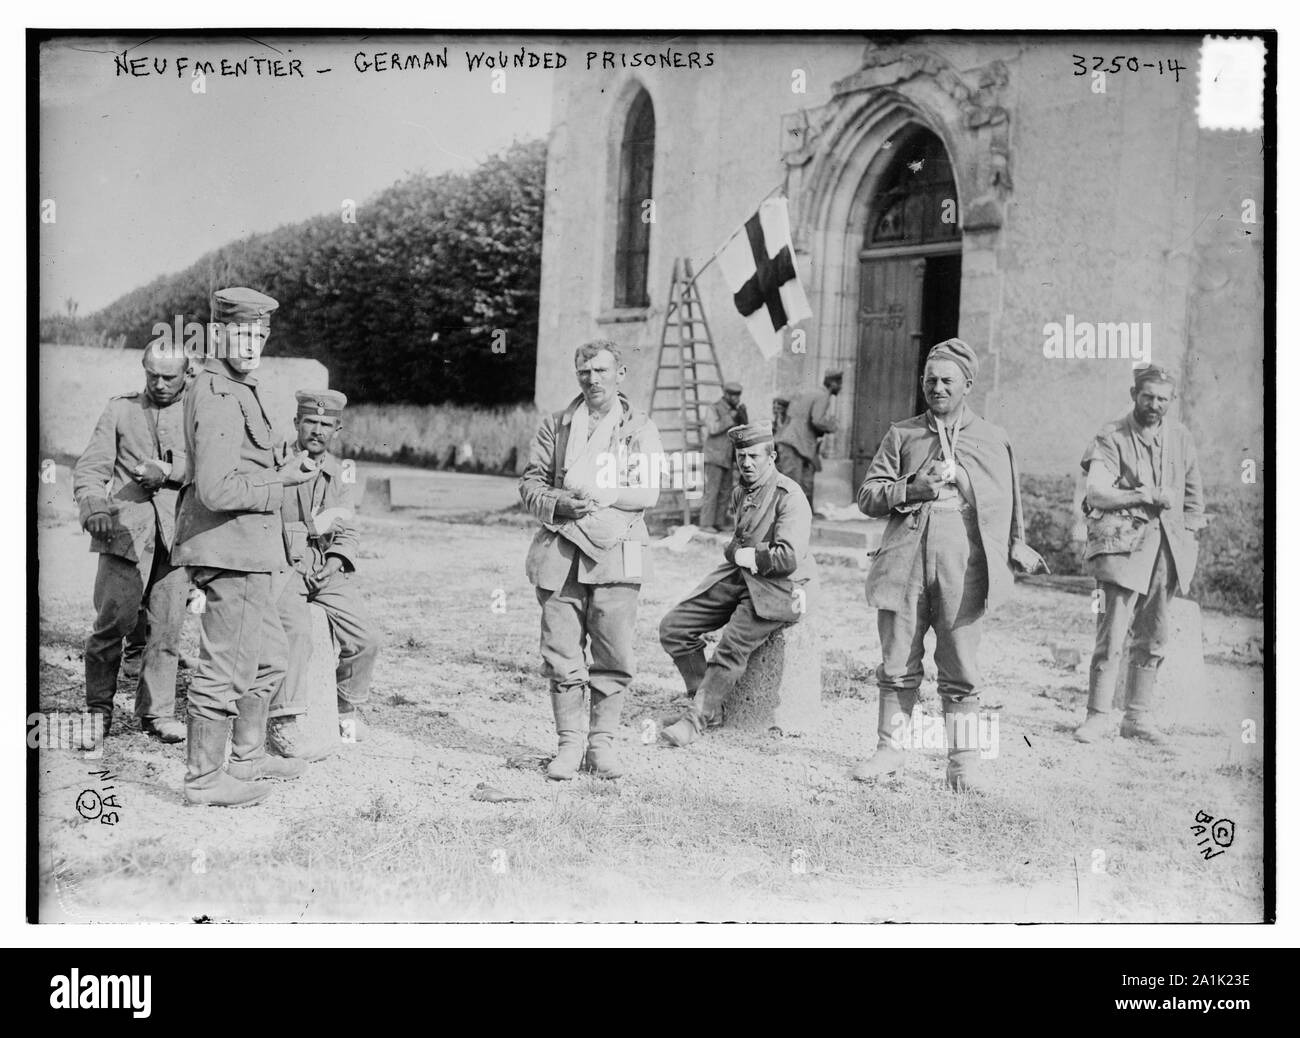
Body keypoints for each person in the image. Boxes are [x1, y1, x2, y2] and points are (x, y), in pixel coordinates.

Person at [852, 339, 1045, 793]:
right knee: (897, 660)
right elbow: (868, 496)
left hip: (964, 564)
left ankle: (963, 766)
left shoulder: (992, 438)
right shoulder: (902, 435)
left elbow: (1007, 501)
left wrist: (968, 483)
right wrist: (911, 487)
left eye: (946, 381)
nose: (936, 388)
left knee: (960, 666)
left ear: (968, 386)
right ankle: (889, 753)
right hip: (905, 562)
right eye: (930, 380)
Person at [172, 287, 319, 807]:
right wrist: (283, 481)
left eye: (259, 333)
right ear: (218, 333)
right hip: (228, 548)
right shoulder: (215, 392)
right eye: (241, 332)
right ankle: (205, 781)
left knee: (269, 660)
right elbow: (216, 489)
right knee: (226, 668)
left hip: (255, 549)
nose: (251, 342)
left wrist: (284, 472)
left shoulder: (242, 385)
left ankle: (247, 760)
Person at [519, 340, 662, 780]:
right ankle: (568, 745)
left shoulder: (640, 429)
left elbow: (648, 493)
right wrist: (561, 504)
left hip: (619, 551)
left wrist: (605, 495)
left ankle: (602, 745)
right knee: (561, 653)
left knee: (614, 653)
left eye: (601, 370)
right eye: (584, 372)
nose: (592, 379)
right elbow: (530, 485)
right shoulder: (557, 427)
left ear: (620, 374)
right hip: (560, 551)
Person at [659, 420, 816, 747]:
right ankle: (706, 701)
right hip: (744, 576)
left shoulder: (790, 496)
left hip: (783, 587)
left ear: (771, 456)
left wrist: (742, 555)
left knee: (731, 646)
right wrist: (736, 553)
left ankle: (697, 719)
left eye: (754, 456)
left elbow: (787, 557)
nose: (746, 463)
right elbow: (737, 542)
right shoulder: (740, 492)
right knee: (675, 627)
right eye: (741, 456)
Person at [1072, 364, 1206, 746]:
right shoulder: (1111, 436)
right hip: (1121, 549)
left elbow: (1194, 498)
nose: (1154, 404)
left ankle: (1137, 717)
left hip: (1167, 550)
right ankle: (1098, 716)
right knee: (1111, 633)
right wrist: (1142, 495)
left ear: (1172, 401)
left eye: (1162, 398)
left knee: (1155, 635)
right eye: (1147, 396)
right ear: (1134, 395)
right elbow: (1096, 493)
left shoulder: (1181, 438)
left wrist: (1188, 538)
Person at [72, 344, 193, 746]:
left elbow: (212, 464)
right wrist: (95, 511)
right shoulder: (120, 410)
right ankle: (97, 713)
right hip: (125, 534)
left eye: (169, 377)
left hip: (178, 537)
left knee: (167, 629)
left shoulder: (199, 411)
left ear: (186, 374)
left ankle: (157, 714)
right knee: (111, 625)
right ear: (143, 370)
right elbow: (91, 469)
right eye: (152, 375)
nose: (159, 384)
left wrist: (170, 472)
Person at [269, 389, 380, 753]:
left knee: (365, 638)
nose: (317, 431)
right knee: (296, 634)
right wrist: (292, 562)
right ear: (296, 423)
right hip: (284, 568)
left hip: (324, 570)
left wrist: (332, 564)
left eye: (326, 425)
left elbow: (346, 528)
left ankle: (343, 705)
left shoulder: (339, 473)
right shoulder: (275, 464)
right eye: (310, 422)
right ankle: (282, 721)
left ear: (337, 430)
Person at [774, 369, 842, 508]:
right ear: (833, 384)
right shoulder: (823, 396)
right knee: (792, 485)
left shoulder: (811, 392)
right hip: (795, 443)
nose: (840, 387)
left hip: (795, 443)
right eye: (839, 383)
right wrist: (832, 426)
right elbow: (817, 420)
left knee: (800, 483)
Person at [699, 381, 746, 531]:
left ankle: (718, 522)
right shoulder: (714, 408)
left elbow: (741, 432)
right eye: (734, 396)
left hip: (727, 457)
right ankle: (706, 524)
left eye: (738, 396)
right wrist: (730, 418)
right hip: (714, 456)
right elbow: (713, 428)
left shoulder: (736, 410)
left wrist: (743, 418)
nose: (737, 399)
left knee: (725, 491)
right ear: (726, 395)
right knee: (712, 491)